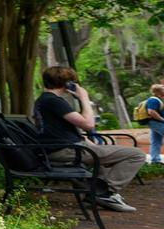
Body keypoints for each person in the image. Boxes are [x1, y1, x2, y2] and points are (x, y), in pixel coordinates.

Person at [34, 65, 146, 210]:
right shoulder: (54, 101)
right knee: (137, 154)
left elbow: (63, 130)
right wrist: (84, 98)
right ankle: (104, 193)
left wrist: (90, 144)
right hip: (65, 151)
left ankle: (97, 194)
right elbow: (88, 124)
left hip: (61, 148)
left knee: (104, 156)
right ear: (68, 83)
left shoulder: (43, 100)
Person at [143, 81, 164, 166]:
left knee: (156, 141)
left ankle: (155, 160)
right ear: (158, 91)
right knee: (156, 141)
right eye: (163, 89)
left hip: (155, 123)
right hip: (156, 123)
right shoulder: (153, 100)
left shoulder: (157, 99)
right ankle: (155, 160)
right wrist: (162, 119)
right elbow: (151, 111)